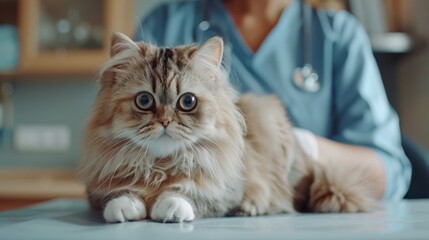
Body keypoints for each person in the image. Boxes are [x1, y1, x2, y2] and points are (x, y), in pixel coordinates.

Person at [135, 0, 411, 201]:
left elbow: (389, 171)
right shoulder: (166, 23)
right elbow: (115, 139)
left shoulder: (337, 34)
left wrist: (302, 149)